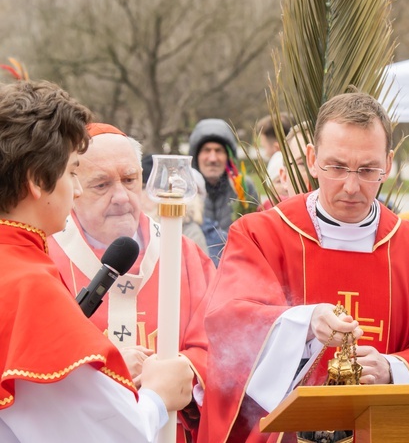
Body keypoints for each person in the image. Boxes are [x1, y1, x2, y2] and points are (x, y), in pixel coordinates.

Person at [200, 92, 409, 443]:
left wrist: (394, 369)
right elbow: (226, 327)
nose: (351, 187)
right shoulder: (260, 236)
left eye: (367, 170)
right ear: (311, 159)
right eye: (336, 167)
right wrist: (303, 324)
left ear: (389, 163)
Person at [0, 80, 193, 442]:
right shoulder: (28, 288)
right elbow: (110, 436)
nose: (75, 189)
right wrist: (155, 396)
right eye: (74, 172)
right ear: (37, 181)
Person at [47, 123, 215, 442]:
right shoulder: (48, 258)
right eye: (102, 185)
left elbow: (219, 343)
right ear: (73, 187)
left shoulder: (182, 253)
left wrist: (186, 370)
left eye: (129, 180)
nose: (122, 197)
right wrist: (102, 369)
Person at [188, 118, 259, 265]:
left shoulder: (244, 188)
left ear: (228, 156)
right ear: (196, 155)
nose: (213, 158)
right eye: (207, 150)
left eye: (218, 151)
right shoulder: (186, 191)